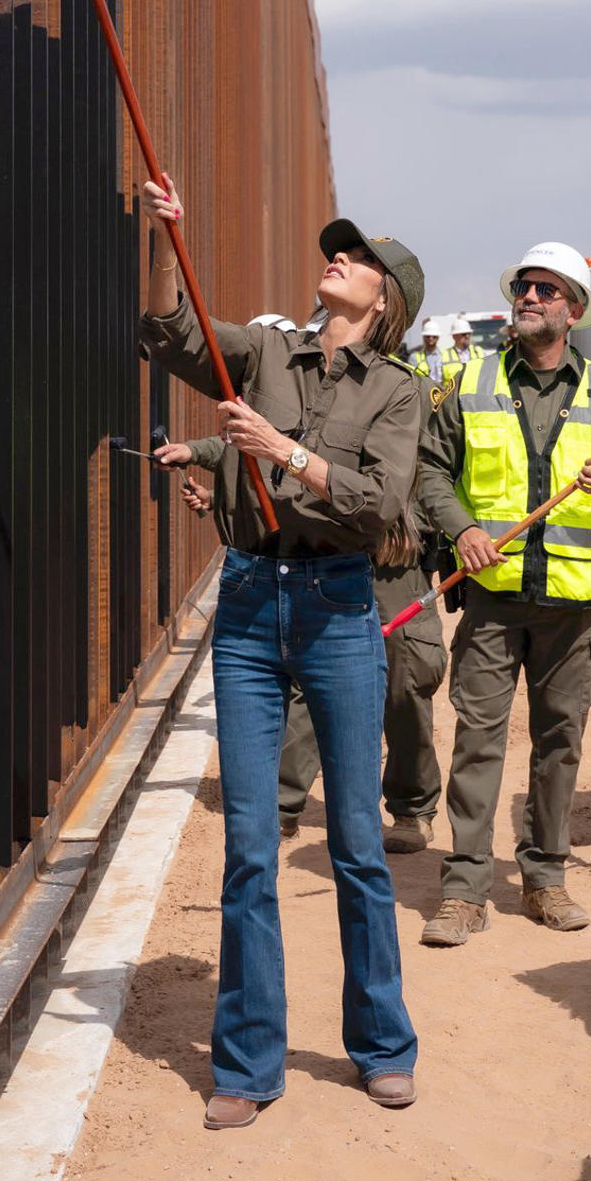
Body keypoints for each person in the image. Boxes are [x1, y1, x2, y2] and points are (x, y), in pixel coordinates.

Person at [138, 177, 423, 1125]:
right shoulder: (266, 351)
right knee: (250, 848)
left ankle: (381, 1045)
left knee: (355, 846)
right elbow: (177, 336)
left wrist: (279, 453)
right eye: (333, 250)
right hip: (253, 605)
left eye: (357, 258)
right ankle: (245, 1065)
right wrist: (162, 236)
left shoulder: (397, 391)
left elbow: (379, 504)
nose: (333, 257)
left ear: (383, 300)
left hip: (341, 610)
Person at [416, 240, 591, 946]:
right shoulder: (468, 384)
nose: (528, 298)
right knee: (477, 742)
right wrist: (461, 528)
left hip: (571, 608)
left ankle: (544, 881)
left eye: (544, 290)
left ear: (574, 310)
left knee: (558, 745)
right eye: (522, 287)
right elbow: (432, 472)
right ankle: (464, 889)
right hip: (495, 600)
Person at [165, 366, 449, 857]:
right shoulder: (320, 374)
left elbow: (443, 469)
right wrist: (206, 472)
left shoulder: (419, 389)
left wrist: (444, 528)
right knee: (308, 680)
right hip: (329, 555)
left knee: (404, 682)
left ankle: (410, 806)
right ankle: (283, 804)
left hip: (395, 561)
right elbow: (267, 450)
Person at [411, 318, 447, 383]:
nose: (431, 338)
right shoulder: (414, 357)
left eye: (434, 336)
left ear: (438, 337)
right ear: (423, 337)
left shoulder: (445, 355)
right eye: (428, 336)